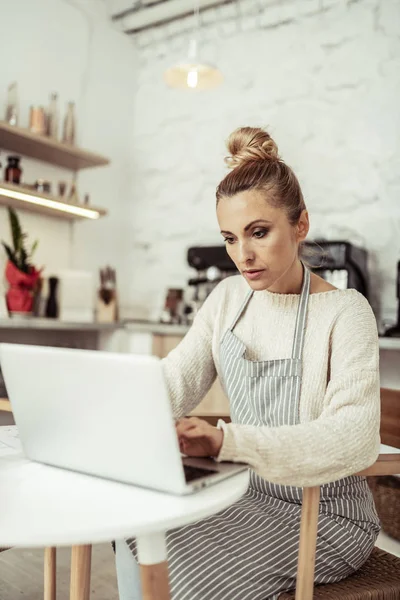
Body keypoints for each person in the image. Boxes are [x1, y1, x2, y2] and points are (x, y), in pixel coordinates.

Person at [115, 127, 381, 600]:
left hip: (325, 514)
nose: (243, 255)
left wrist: (226, 441)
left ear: (300, 225)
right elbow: (175, 380)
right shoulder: (227, 298)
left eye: (259, 232)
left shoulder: (346, 311)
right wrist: (103, 409)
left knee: (193, 574)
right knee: (136, 526)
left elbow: (355, 436)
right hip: (245, 493)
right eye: (230, 238)